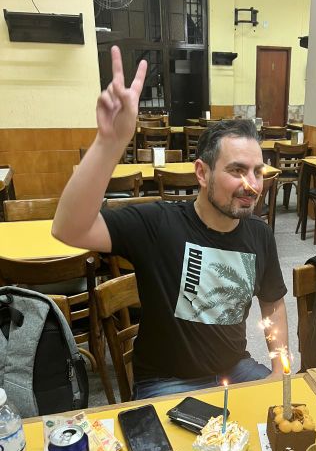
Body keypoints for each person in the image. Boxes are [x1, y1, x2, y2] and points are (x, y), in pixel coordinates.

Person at [52, 46, 288, 400]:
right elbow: (68, 228)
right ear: (202, 173)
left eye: (257, 171)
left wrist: (279, 367)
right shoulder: (158, 223)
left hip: (236, 369)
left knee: (287, 420)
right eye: (237, 170)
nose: (251, 185)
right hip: (166, 381)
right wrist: (109, 142)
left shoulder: (260, 234)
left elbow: (273, 302)